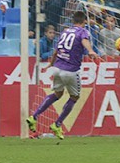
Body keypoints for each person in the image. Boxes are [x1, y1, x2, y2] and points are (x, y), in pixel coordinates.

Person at [26, 11, 99, 139]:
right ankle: (57, 124)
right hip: (70, 70)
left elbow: (56, 51)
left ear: (72, 21)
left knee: (57, 94)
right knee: (75, 97)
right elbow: (84, 41)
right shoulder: (83, 31)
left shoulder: (65, 32)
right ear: (84, 22)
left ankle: (34, 116)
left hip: (57, 68)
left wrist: (51, 64)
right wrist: (91, 50)